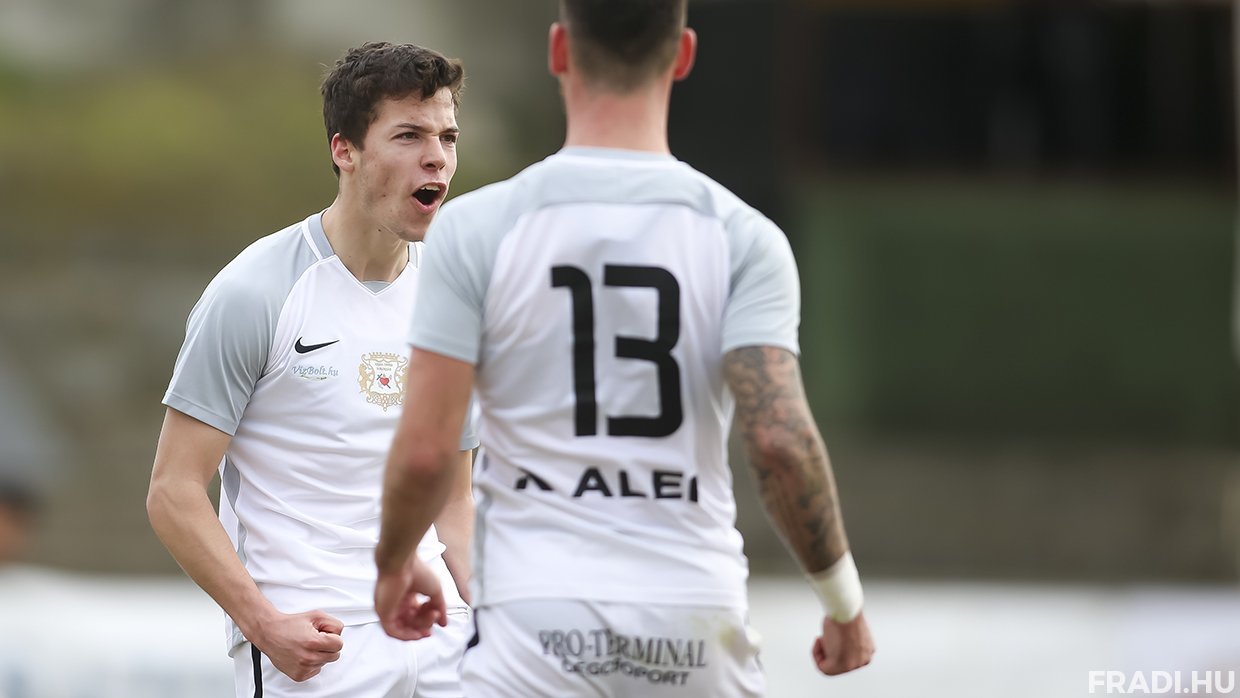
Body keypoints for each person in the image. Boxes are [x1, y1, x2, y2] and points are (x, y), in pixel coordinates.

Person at [373, 1, 875, 695]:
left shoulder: (479, 228)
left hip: (534, 628)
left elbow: (429, 450)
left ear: (559, 50)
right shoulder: (744, 238)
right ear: (684, 55)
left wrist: (394, 564)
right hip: (693, 621)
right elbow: (781, 444)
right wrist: (843, 604)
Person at [147, 42, 478, 698]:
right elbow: (173, 492)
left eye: (447, 136)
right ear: (344, 150)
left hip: (445, 641)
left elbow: (454, 497)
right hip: (319, 651)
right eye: (408, 136)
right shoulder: (255, 292)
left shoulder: (456, 296)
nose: (437, 156)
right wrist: (264, 625)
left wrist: (497, 610)